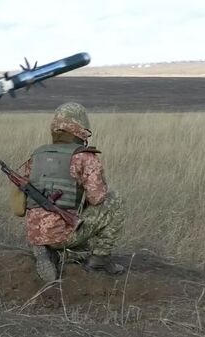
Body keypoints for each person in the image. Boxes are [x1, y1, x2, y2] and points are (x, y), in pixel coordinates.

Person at [17, 102, 125, 281]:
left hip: (34, 232)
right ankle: (99, 258)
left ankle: (46, 249)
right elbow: (97, 198)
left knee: (71, 235)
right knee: (114, 200)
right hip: (63, 233)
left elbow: (21, 202)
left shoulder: (36, 155)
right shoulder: (85, 157)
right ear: (79, 126)